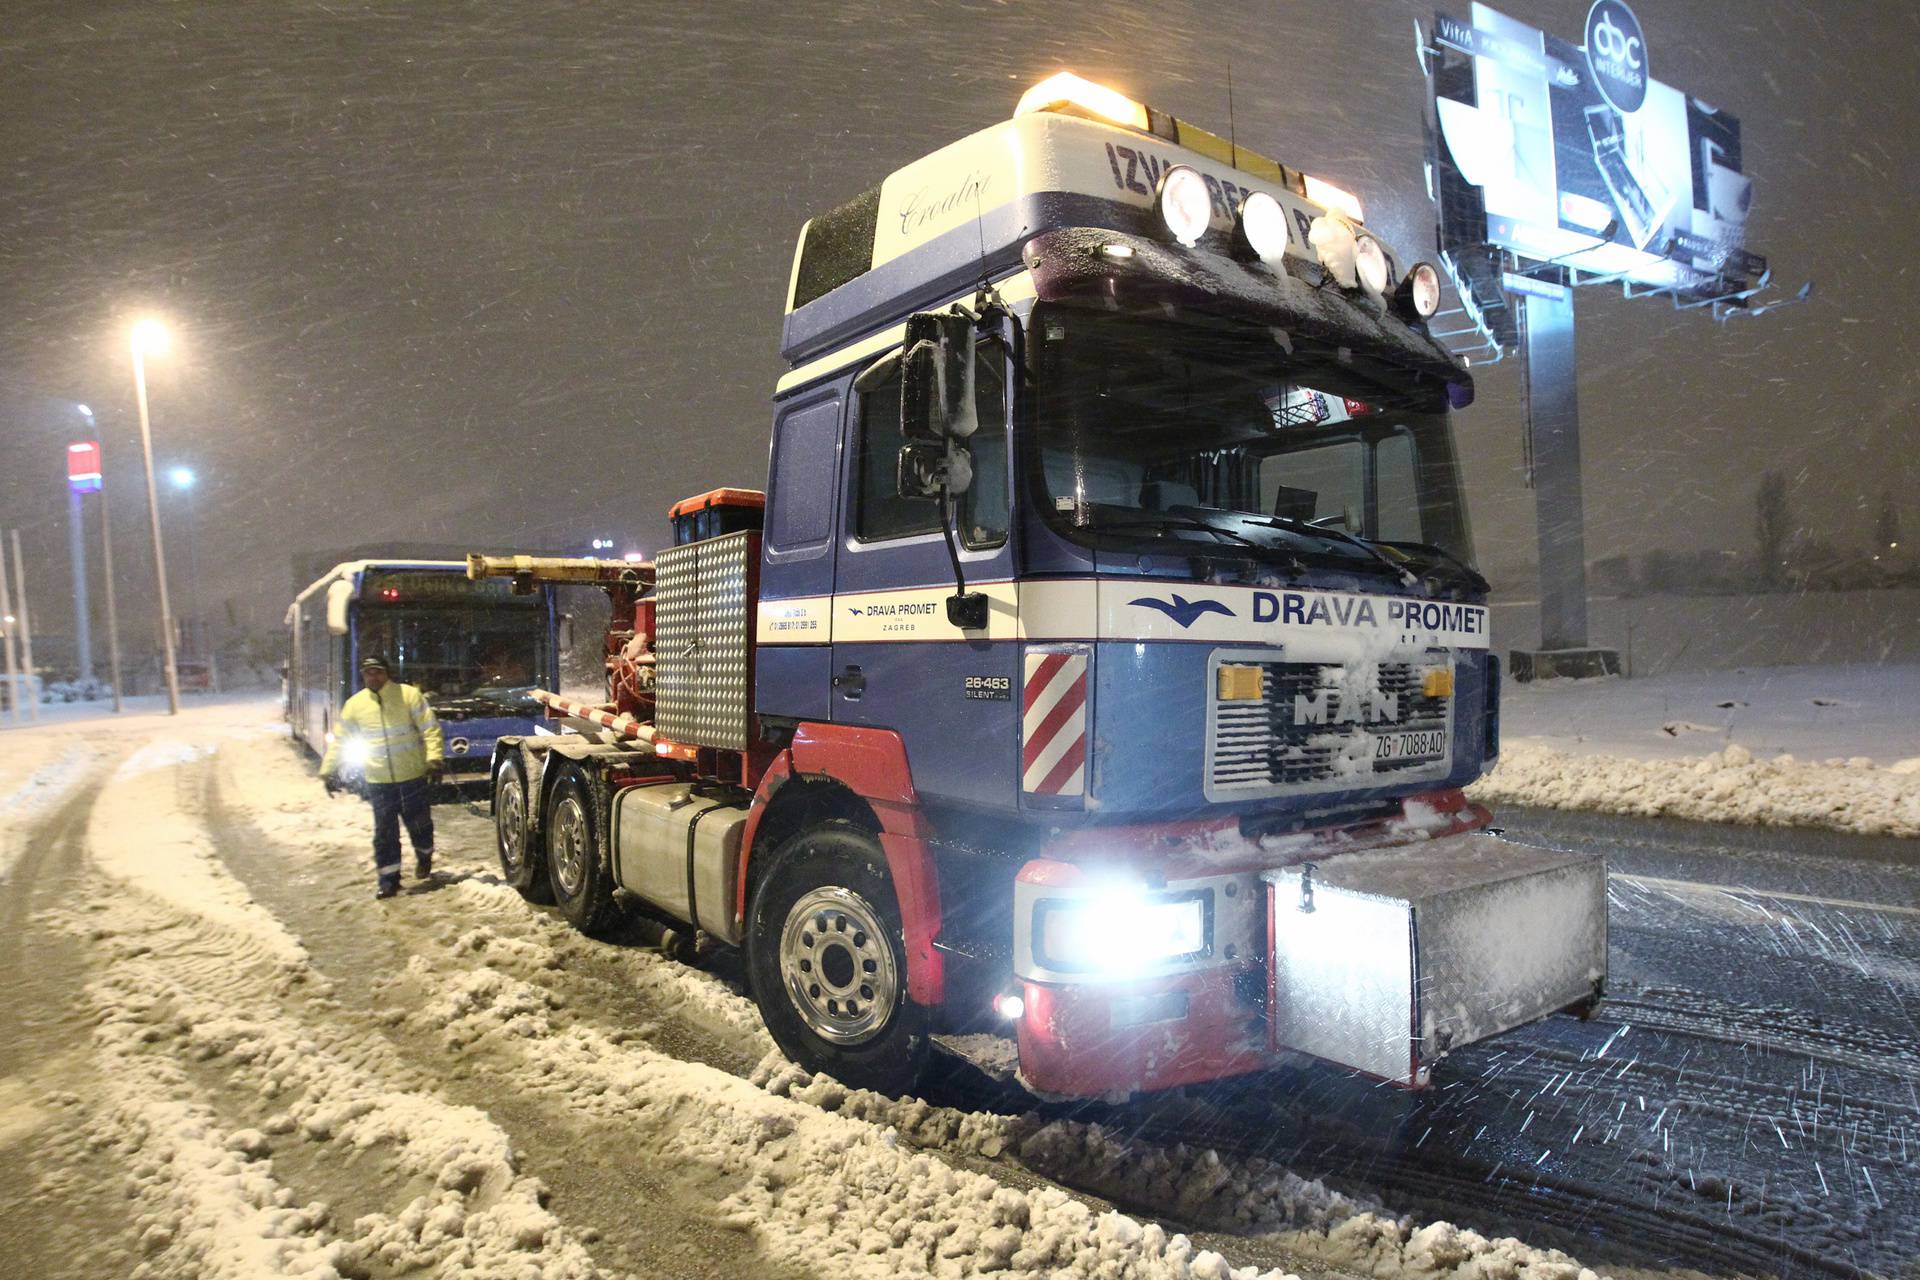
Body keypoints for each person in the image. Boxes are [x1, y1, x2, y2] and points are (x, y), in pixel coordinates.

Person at [319, 654, 445, 899]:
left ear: (387, 673)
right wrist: (328, 770)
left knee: (420, 826)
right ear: (363, 676)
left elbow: (430, 729)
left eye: (377, 671)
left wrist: (434, 759)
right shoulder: (355, 705)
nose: (373, 676)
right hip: (378, 781)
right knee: (384, 833)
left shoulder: (408, 695)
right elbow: (340, 740)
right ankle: (388, 880)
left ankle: (424, 856)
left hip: (412, 776)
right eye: (368, 673)